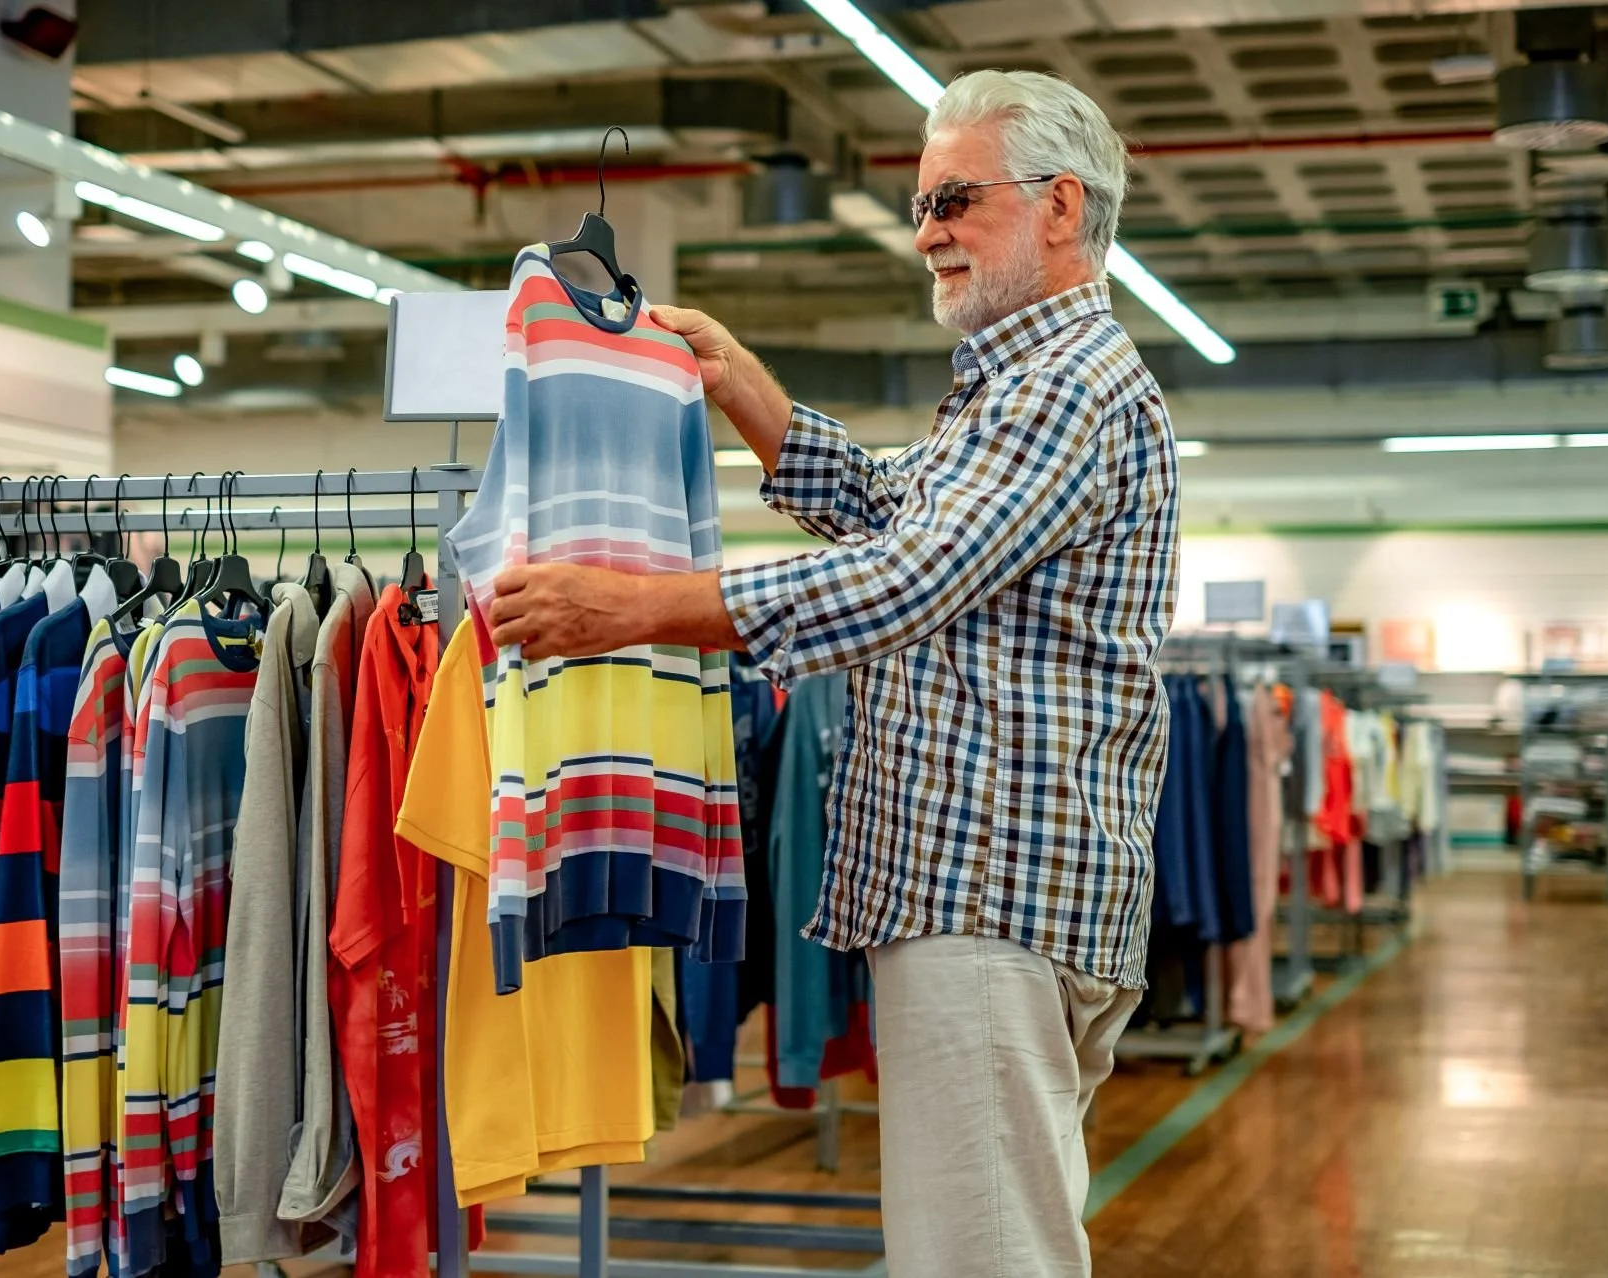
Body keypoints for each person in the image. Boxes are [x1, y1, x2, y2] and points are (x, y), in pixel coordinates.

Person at [488, 68, 1179, 1276]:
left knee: (980, 1257)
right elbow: (897, 519)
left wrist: (631, 610)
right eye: (922, 204)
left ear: (1060, 206)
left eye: (953, 200)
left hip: (990, 895)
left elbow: (904, 579)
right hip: (994, 899)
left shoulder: (1065, 387)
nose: (926, 235)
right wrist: (746, 387)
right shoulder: (1019, 387)